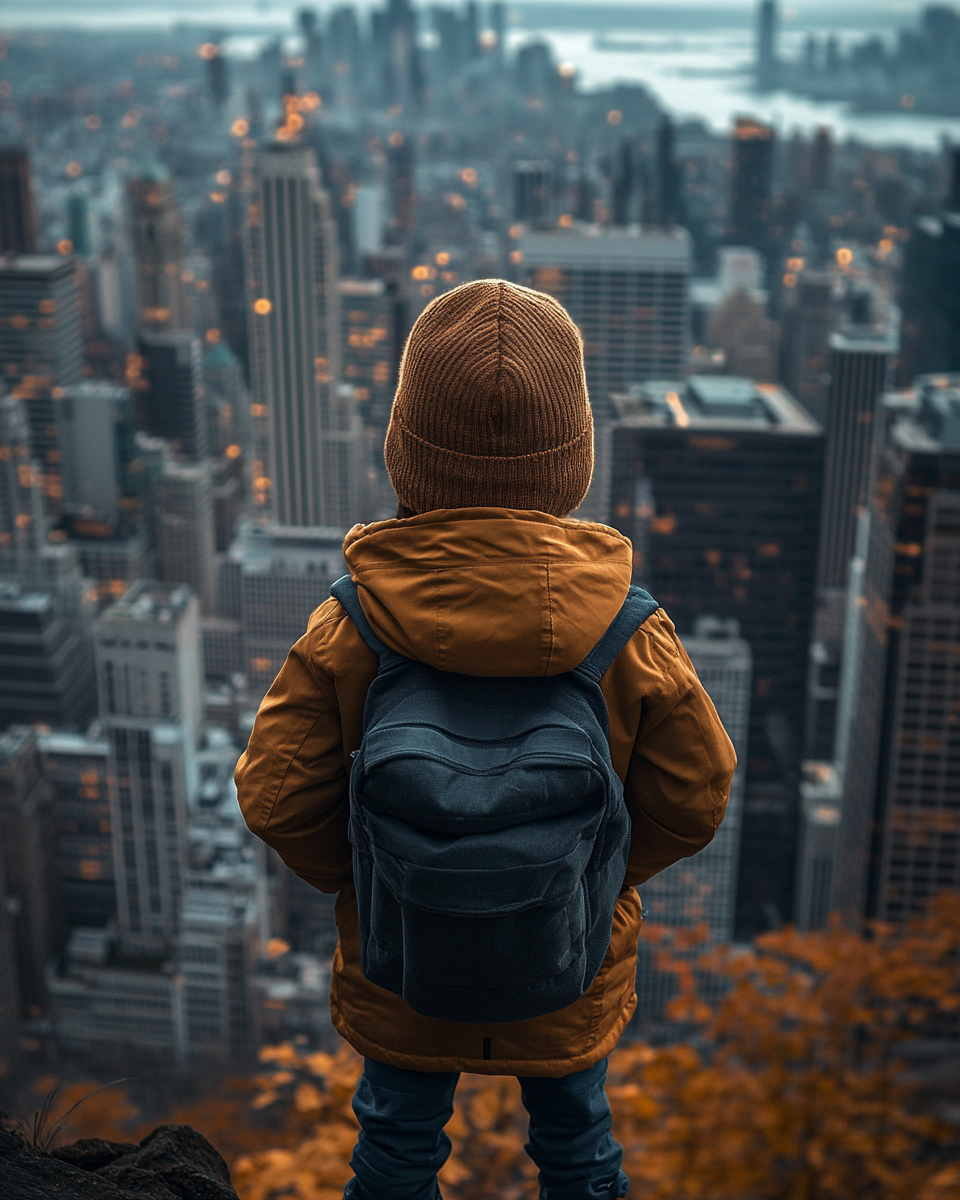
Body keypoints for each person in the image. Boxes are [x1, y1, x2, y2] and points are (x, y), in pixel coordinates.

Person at [236, 279, 737, 1200]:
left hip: (405, 972)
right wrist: (594, 874)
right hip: (567, 963)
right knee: (580, 1152)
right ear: (573, 458)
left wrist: (375, 877)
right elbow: (698, 793)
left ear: (406, 453)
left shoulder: (355, 621)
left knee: (393, 1152)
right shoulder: (629, 630)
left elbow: (273, 791)